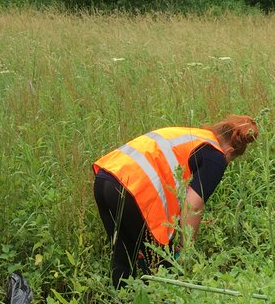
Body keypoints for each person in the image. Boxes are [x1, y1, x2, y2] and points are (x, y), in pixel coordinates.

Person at [92, 116, 259, 288]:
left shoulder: (193, 136)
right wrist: (185, 249)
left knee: (123, 255)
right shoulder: (216, 156)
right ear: (231, 151)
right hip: (133, 191)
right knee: (164, 266)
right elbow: (193, 205)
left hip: (105, 178)